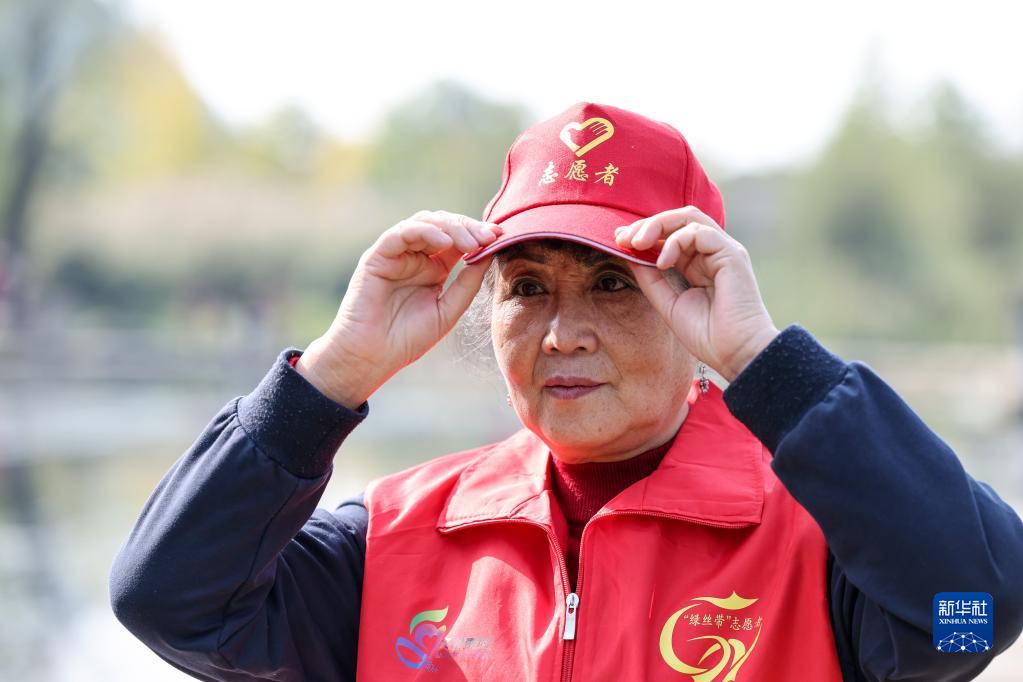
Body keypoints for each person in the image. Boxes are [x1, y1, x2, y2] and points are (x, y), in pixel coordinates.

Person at [109, 102, 1023, 681]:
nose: (562, 333)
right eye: (528, 287)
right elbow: (171, 605)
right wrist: (333, 372)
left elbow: (977, 611)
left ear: (697, 305)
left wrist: (765, 362)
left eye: (614, 284)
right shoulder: (389, 542)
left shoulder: (820, 543)